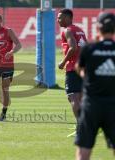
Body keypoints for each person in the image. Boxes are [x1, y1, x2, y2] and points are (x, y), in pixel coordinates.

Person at [75, 12, 115, 160]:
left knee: (83, 152)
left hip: (91, 105)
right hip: (113, 106)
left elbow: (79, 69)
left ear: (98, 28)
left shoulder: (89, 48)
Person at [57, 9, 87, 136]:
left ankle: (82, 128)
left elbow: (73, 48)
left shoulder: (67, 30)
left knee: (72, 97)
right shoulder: (79, 29)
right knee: (80, 98)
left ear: (68, 18)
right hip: (84, 67)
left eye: (60, 18)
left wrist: (63, 63)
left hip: (73, 68)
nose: (58, 20)